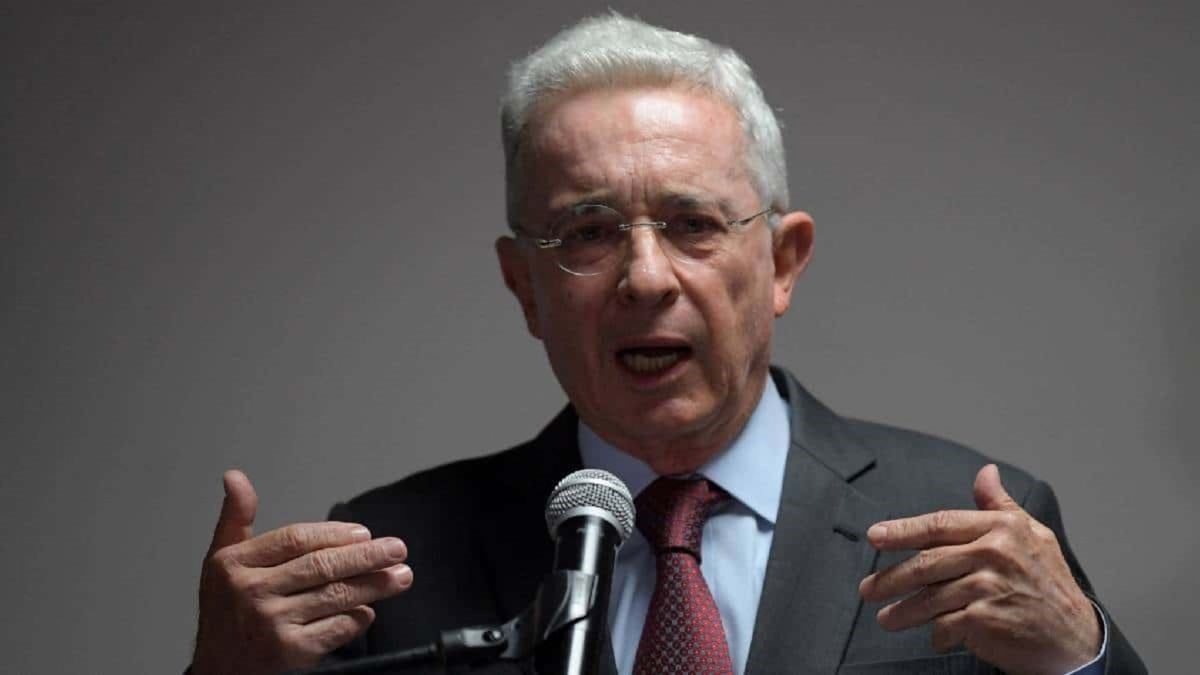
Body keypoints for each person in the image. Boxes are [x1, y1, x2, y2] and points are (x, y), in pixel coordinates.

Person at [189, 13, 1146, 675]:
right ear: (524, 286)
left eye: (693, 224)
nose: (646, 277)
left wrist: (1080, 654)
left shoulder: (970, 521)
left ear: (782, 262)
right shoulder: (390, 567)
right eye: (588, 233)